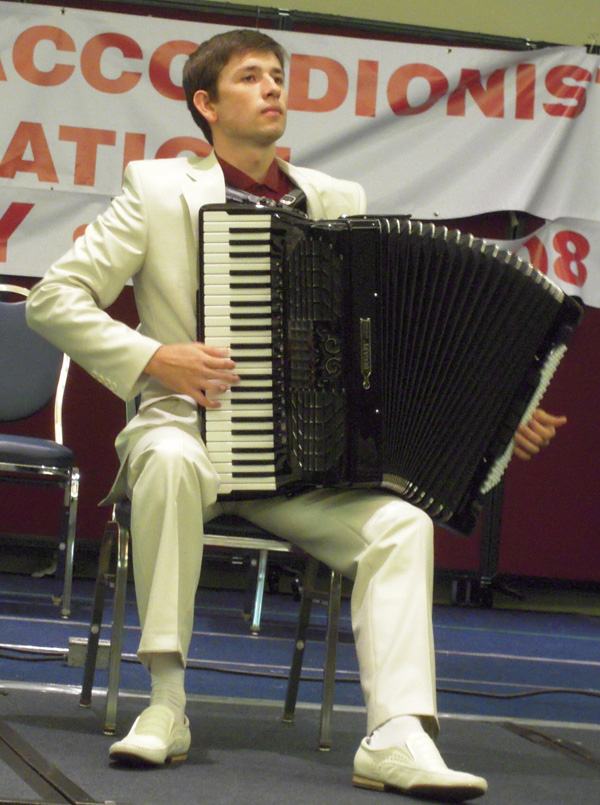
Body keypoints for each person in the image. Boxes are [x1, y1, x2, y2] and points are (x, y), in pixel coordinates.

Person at [26, 28, 566, 802]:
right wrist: (155, 358)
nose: (274, 89)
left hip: (303, 464)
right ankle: (167, 703)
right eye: (251, 78)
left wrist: (491, 415)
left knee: (400, 524)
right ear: (207, 105)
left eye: (279, 76)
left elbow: (381, 353)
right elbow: (53, 299)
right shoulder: (157, 189)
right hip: (186, 429)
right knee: (174, 460)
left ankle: (397, 733)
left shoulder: (337, 203)